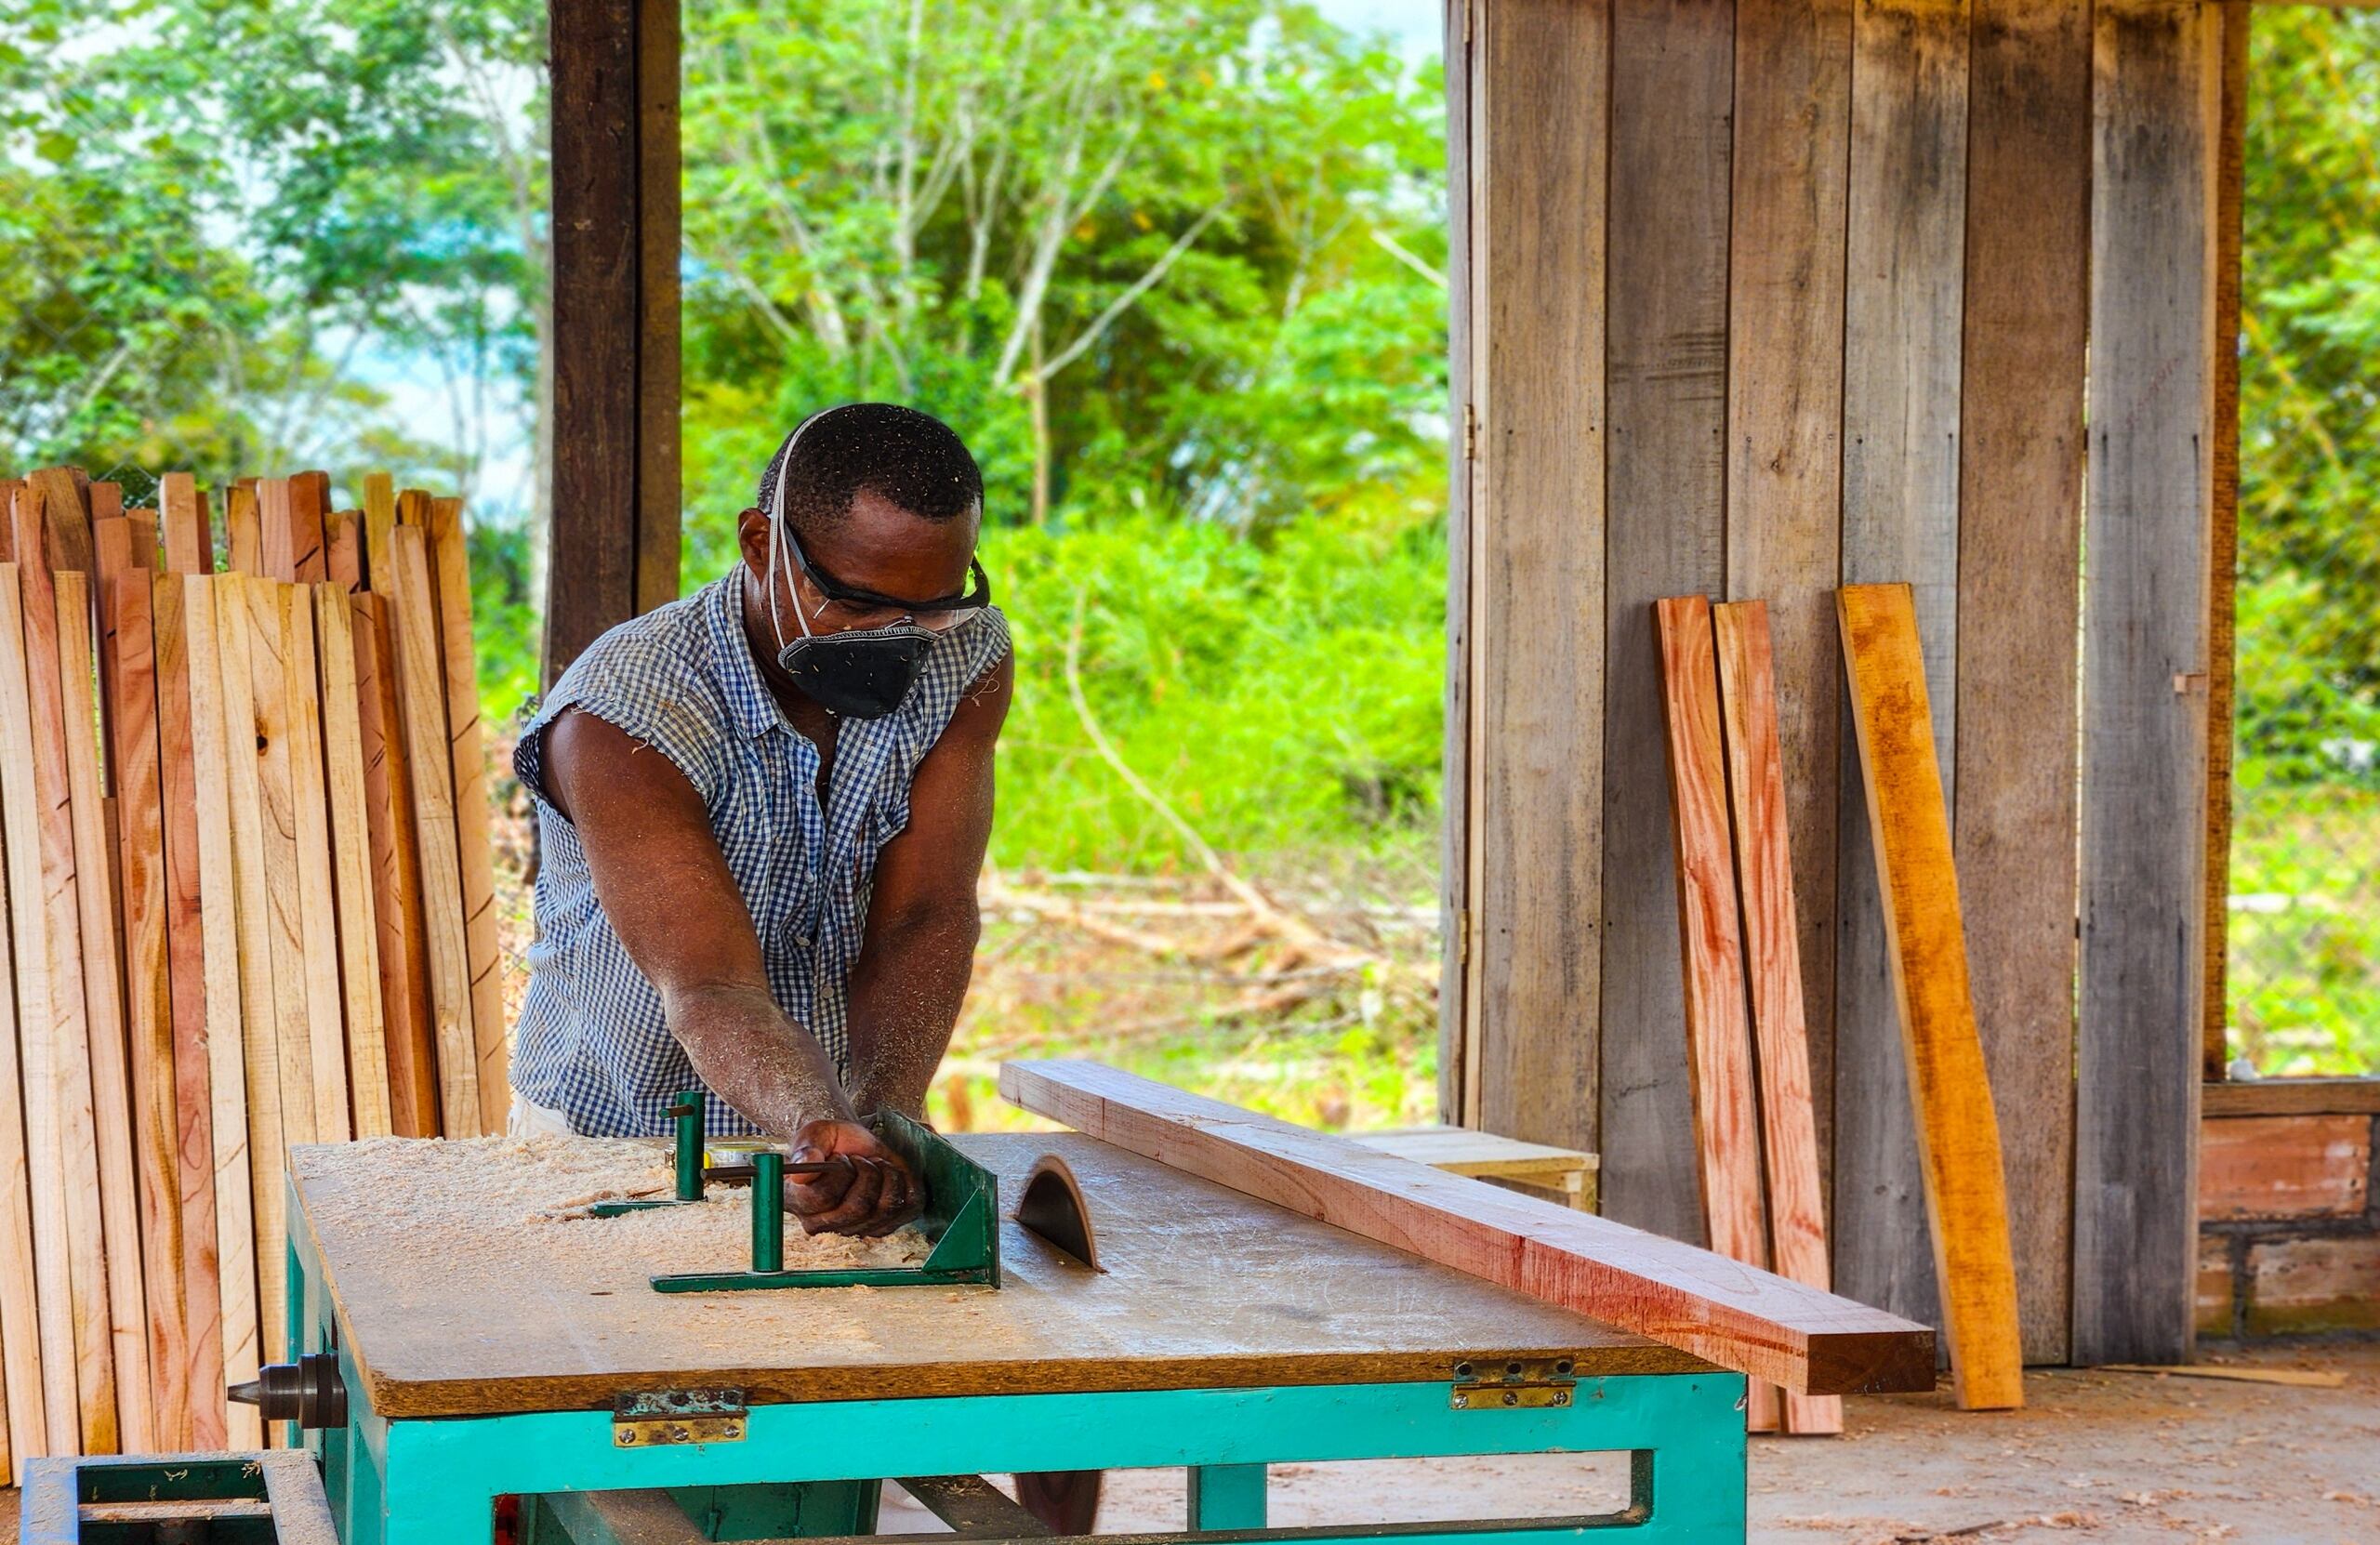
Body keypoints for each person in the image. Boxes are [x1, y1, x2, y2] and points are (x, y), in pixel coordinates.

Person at [509, 403, 1012, 1237]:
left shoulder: (964, 656)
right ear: (758, 545)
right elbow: (709, 984)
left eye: (930, 608)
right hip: (615, 1136)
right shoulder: (623, 711)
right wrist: (816, 1117)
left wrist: (882, 1115)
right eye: (855, 603)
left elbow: (927, 914)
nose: (897, 640)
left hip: (831, 1132)